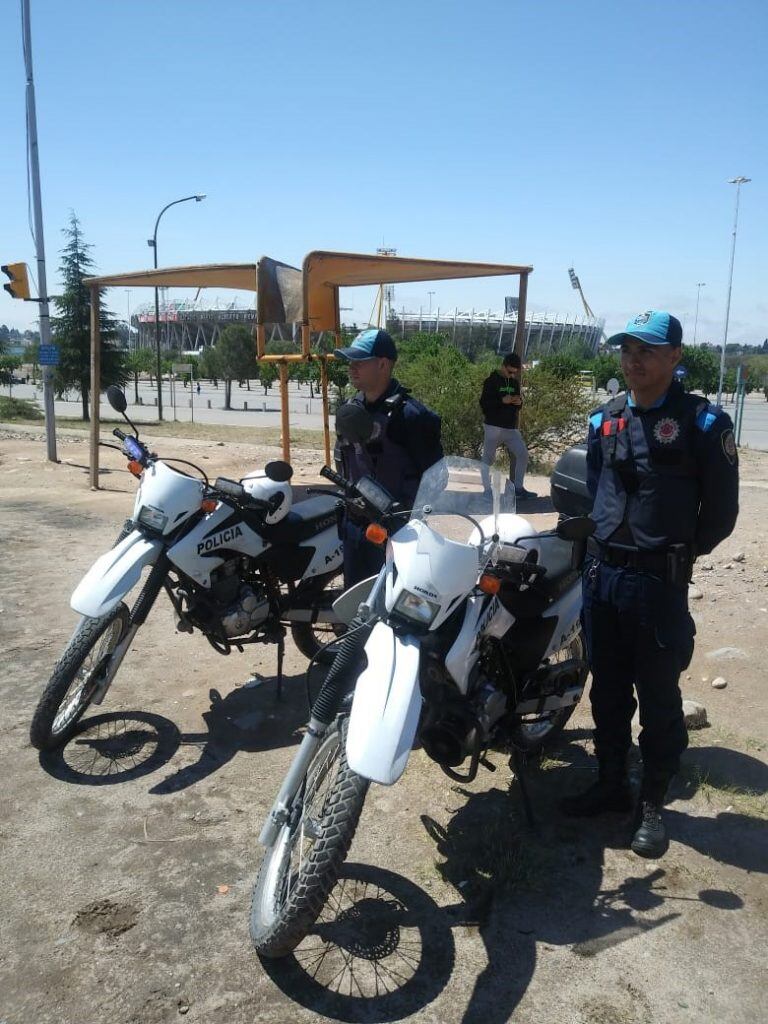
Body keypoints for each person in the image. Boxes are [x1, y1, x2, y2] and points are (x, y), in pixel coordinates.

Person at [561, 310, 739, 858]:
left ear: (675, 356)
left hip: (657, 583)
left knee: (659, 696)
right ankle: (611, 783)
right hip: (603, 576)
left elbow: (722, 513)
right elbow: (594, 494)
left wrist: (674, 555)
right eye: (627, 350)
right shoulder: (603, 421)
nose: (633, 359)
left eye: (647, 350)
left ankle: (653, 802)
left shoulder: (704, 424)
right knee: (608, 691)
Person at [334, 328, 443, 586]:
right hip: (355, 528)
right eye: (351, 361)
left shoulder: (413, 417)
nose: (352, 367)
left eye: (360, 361)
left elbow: (437, 478)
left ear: (383, 364)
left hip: (397, 534)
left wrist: (406, 517)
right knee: (356, 608)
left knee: (393, 611)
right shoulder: (350, 410)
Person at [479, 352, 535, 500]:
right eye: (510, 371)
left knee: (523, 454)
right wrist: (501, 401)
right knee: (488, 459)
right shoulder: (491, 381)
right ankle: (486, 491)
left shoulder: (514, 383)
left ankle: (518, 488)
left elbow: (517, 404)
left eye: (514, 373)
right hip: (493, 426)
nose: (511, 375)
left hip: (510, 428)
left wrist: (519, 403)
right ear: (503, 366)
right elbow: (484, 404)